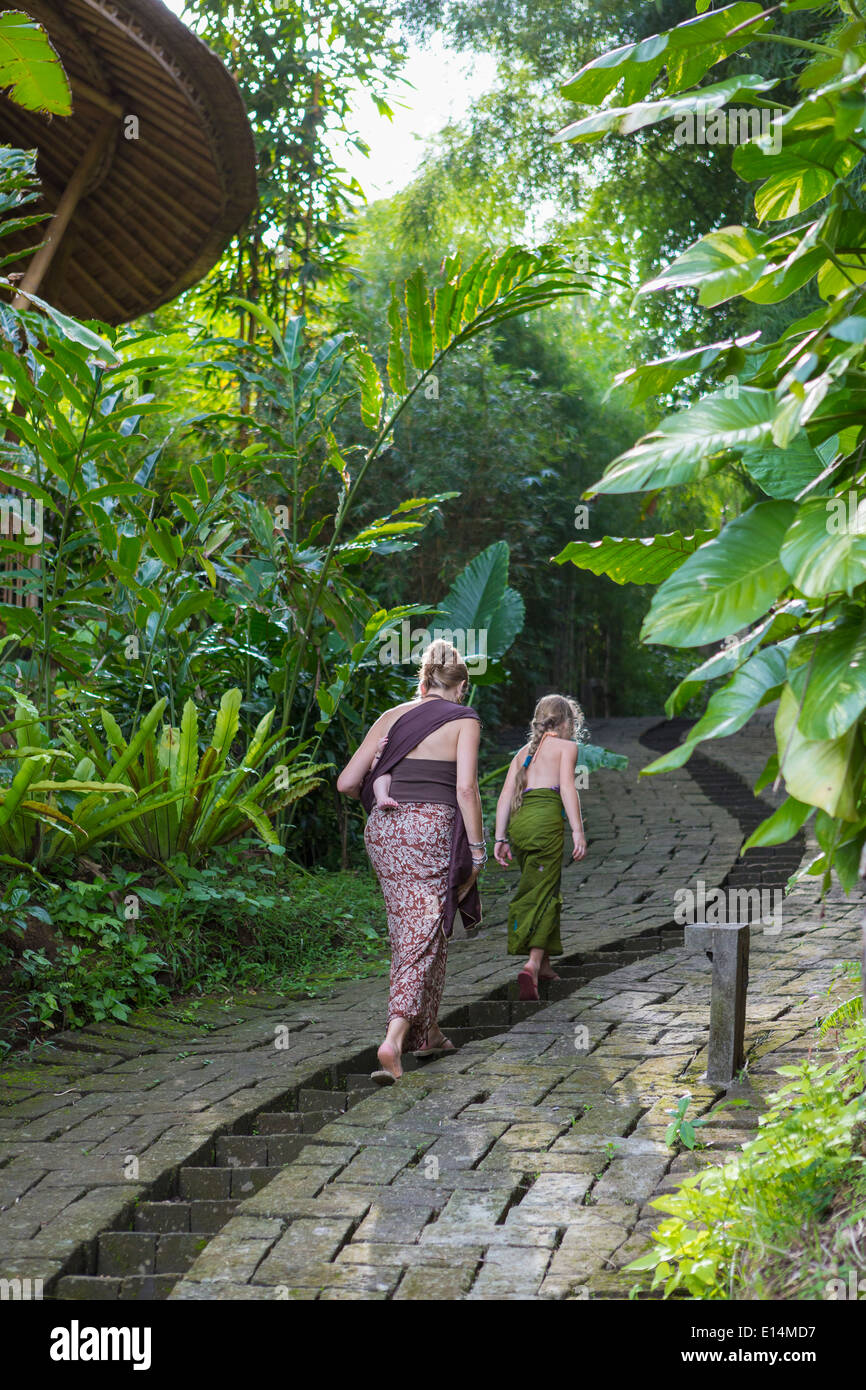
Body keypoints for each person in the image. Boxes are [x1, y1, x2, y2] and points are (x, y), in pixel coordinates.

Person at [337, 640, 485, 1082]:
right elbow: (465, 790)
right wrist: (477, 851)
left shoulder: (391, 717)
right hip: (431, 829)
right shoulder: (464, 720)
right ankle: (394, 1038)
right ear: (460, 688)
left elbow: (347, 782)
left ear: (423, 682)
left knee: (420, 929)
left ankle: (430, 1033)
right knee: (422, 935)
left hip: (385, 831)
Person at [493, 694, 587, 1001]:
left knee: (540, 886)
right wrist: (577, 830)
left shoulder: (522, 753)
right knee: (544, 893)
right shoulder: (566, 747)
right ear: (565, 723)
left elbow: (506, 796)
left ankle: (545, 964)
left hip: (521, 826)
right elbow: (568, 788)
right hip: (545, 823)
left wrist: (500, 837)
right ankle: (531, 965)